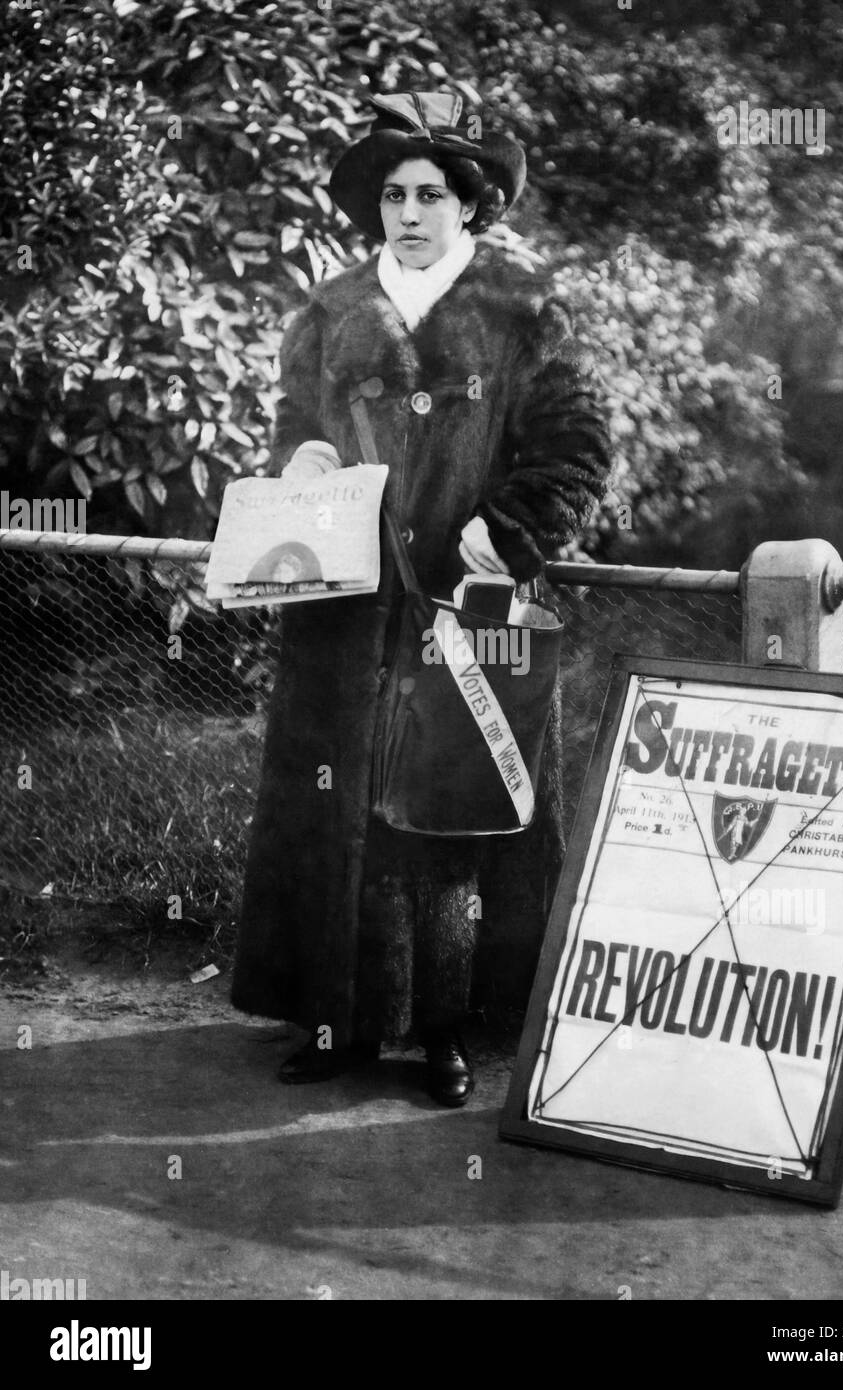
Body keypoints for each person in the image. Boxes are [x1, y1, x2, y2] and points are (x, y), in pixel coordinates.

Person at [231, 91, 612, 1106]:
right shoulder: (330, 312)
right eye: (393, 194)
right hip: (346, 610)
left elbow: (576, 453)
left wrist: (511, 528)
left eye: (431, 194)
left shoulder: (525, 313)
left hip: (464, 604)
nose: (408, 212)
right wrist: (302, 457)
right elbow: (286, 430)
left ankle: (447, 1030)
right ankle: (339, 1020)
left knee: (453, 818)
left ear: (469, 205)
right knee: (340, 809)